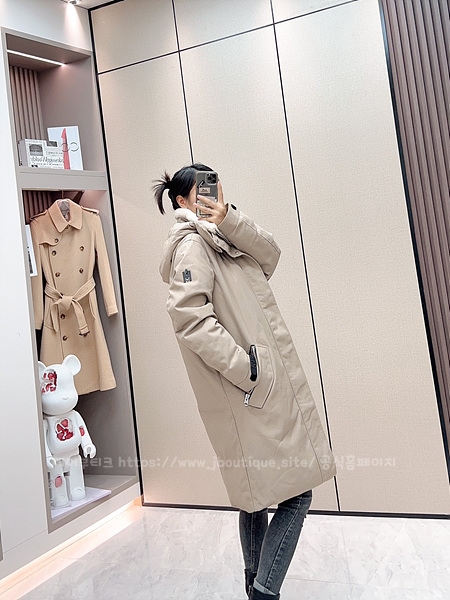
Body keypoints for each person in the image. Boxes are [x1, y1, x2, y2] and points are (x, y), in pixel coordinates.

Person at [155, 163, 336, 599]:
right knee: (296, 494)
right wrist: (246, 370)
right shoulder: (192, 246)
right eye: (201, 190)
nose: (211, 194)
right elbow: (190, 320)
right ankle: (264, 592)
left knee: (255, 497)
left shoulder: (220, 235)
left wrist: (229, 218)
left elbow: (270, 256)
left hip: (256, 390)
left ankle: (254, 588)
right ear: (181, 200)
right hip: (246, 391)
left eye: (215, 186)